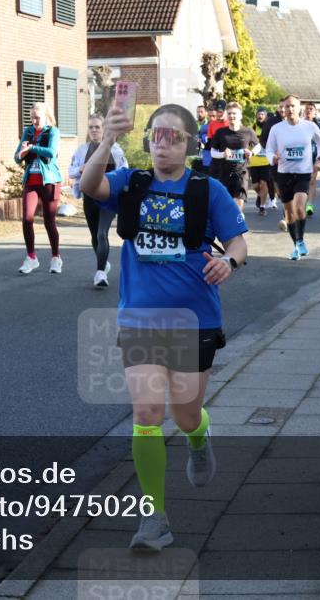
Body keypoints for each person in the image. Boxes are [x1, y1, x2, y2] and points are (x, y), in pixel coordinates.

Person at [81, 102, 247, 552]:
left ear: (190, 144)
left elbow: (238, 240)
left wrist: (228, 262)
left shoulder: (207, 190)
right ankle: (154, 517)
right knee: (146, 414)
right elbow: (88, 185)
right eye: (156, 134)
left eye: (173, 135)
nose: (162, 142)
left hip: (196, 319)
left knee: (184, 412)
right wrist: (108, 139)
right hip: (139, 317)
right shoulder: (130, 182)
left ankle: (199, 435)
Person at [69, 114, 128, 287]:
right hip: (90, 197)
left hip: (108, 196)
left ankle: (100, 273)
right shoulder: (82, 150)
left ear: (104, 129)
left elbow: (124, 169)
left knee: (102, 233)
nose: (94, 130)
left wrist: (113, 179)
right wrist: (81, 168)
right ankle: (103, 262)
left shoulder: (114, 149)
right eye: (91, 127)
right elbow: (71, 171)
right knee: (94, 235)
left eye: (97, 127)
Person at [267, 96, 320, 260]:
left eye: (293, 106)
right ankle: (297, 244)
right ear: (282, 109)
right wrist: (273, 158)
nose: (290, 109)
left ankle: (300, 241)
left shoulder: (309, 126)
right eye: (286, 107)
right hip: (283, 174)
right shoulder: (276, 129)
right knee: (289, 213)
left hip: (303, 173)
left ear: (298, 108)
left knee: (299, 207)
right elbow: (269, 150)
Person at [14, 102, 62, 275]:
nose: (34, 120)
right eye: (32, 117)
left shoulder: (52, 132)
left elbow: (51, 152)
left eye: (37, 117)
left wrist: (32, 148)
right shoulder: (27, 132)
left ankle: (56, 257)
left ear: (45, 116)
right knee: (27, 218)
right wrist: (22, 153)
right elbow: (16, 157)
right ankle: (31, 258)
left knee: (49, 222)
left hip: (49, 181)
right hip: (31, 181)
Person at [210, 102, 259, 213]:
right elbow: (212, 152)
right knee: (227, 201)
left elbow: (258, 146)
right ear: (227, 115)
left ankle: (238, 218)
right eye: (230, 113)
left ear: (240, 115)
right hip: (224, 172)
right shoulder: (221, 133)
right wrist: (223, 154)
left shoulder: (248, 132)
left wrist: (251, 153)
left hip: (242, 171)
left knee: (239, 197)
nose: (232, 116)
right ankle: (233, 220)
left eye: (235, 114)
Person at [302, 103, 320, 217]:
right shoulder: (299, 123)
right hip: (301, 157)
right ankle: (301, 200)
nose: (308, 111)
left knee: (312, 180)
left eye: (311, 109)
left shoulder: (319, 125)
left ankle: (309, 204)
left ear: (315, 112)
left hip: (314, 156)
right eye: (306, 109)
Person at [201, 100, 229, 175]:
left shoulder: (231, 123)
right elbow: (210, 143)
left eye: (221, 111)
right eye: (217, 111)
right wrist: (206, 162)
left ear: (226, 111)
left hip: (230, 159)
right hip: (216, 159)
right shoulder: (212, 125)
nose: (219, 114)